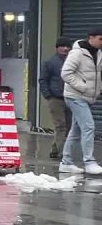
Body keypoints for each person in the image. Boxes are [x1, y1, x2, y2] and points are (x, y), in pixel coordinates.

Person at [60, 30, 102, 175]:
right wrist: (83, 87)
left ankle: (66, 162)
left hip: (88, 97)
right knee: (89, 126)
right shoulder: (77, 53)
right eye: (100, 39)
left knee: (76, 130)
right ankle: (89, 161)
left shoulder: (99, 53)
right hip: (75, 96)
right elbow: (66, 73)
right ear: (91, 38)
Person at [39, 37, 73, 160]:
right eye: (62, 46)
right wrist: (48, 95)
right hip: (55, 98)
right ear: (57, 48)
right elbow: (43, 80)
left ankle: (60, 150)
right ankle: (58, 151)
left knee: (69, 125)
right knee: (60, 125)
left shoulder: (72, 61)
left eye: (67, 46)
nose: (65, 49)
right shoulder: (50, 63)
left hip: (70, 97)